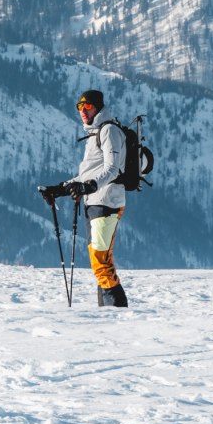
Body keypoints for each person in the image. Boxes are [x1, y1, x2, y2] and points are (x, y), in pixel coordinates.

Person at [39, 89, 128, 308]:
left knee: (101, 262)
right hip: (94, 202)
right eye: (79, 107)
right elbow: (87, 175)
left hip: (107, 201)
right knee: (99, 262)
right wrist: (60, 189)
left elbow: (112, 168)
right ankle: (107, 312)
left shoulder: (108, 131)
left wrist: (89, 186)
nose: (83, 111)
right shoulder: (94, 133)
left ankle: (117, 314)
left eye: (87, 106)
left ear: (97, 107)